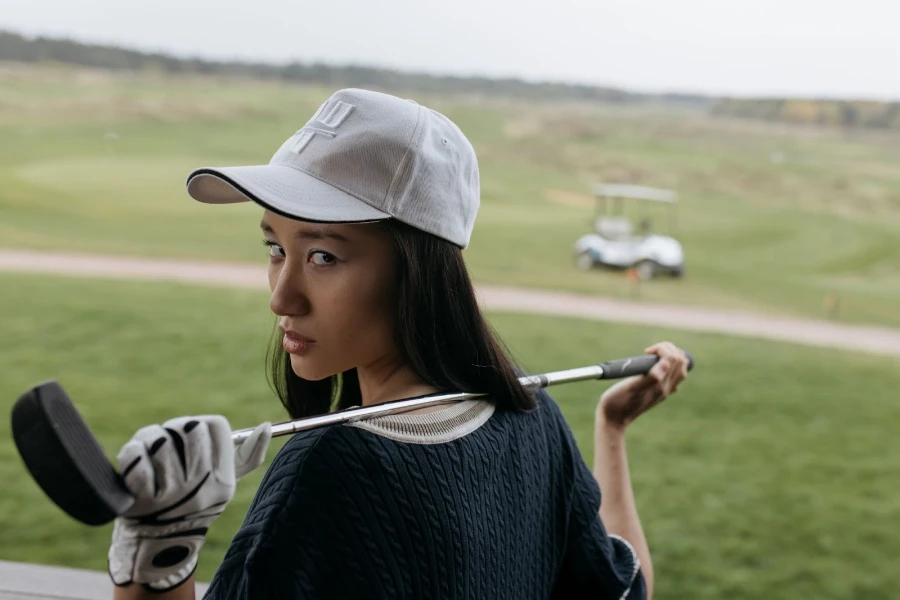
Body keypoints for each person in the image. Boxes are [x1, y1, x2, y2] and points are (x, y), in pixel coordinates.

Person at [107, 88, 690, 600]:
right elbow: (626, 589)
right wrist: (610, 431)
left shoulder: (327, 469)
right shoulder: (535, 417)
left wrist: (155, 555)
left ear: (419, 274)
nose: (281, 298)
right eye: (275, 248)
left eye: (324, 256)